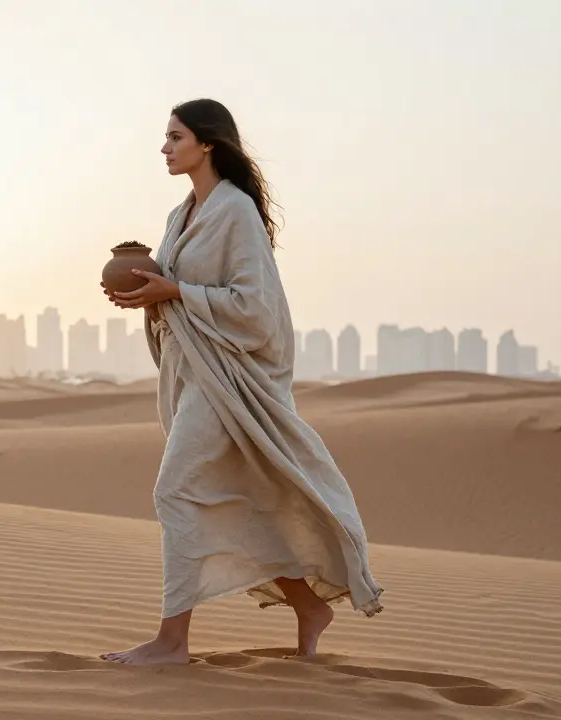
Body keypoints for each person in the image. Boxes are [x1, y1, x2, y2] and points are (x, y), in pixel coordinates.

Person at [99, 99, 383, 665]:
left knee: (175, 491)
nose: (164, 148)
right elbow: (181, 296)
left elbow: (256, 309)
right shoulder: (180, 216)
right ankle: (308, 607)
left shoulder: (236, 211)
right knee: (243, 497)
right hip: (193, 376)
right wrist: (150, 297)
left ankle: (172, 642)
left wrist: (175, 292)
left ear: (207, 143)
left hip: (230, 381)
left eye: (175, 137)